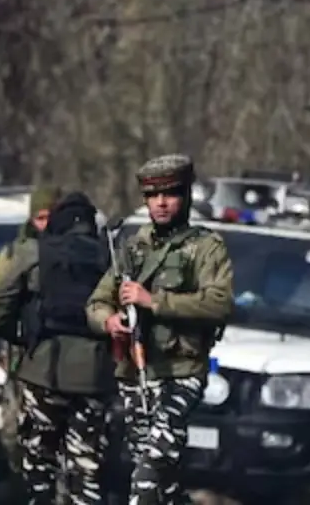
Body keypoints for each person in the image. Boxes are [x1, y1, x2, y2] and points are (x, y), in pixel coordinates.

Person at [87, 154, 233, 505]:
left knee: (150, 469)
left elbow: (220, 304)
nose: (161, 203)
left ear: (185, 196)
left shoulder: (206, 248)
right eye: (153, 196)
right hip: (136, 375)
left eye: (170, 194)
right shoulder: (132, 248)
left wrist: (154, 301)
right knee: (161, 479)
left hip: (181, 372)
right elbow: (96, 302)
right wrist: (110, 321)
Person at [0, 191, 116, 504]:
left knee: (39, 463)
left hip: (43, 370)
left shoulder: (31, 253)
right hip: (94, 376)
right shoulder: (110, 255)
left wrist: (17, 338)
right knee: (86, 464)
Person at [0, 184, 64, 476]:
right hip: (23, 357)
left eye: (51, 217)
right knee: (14, 431)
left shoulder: (79, 252)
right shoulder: (17, 254)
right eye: (40, 218)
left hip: (63, 360)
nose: (46, 225)